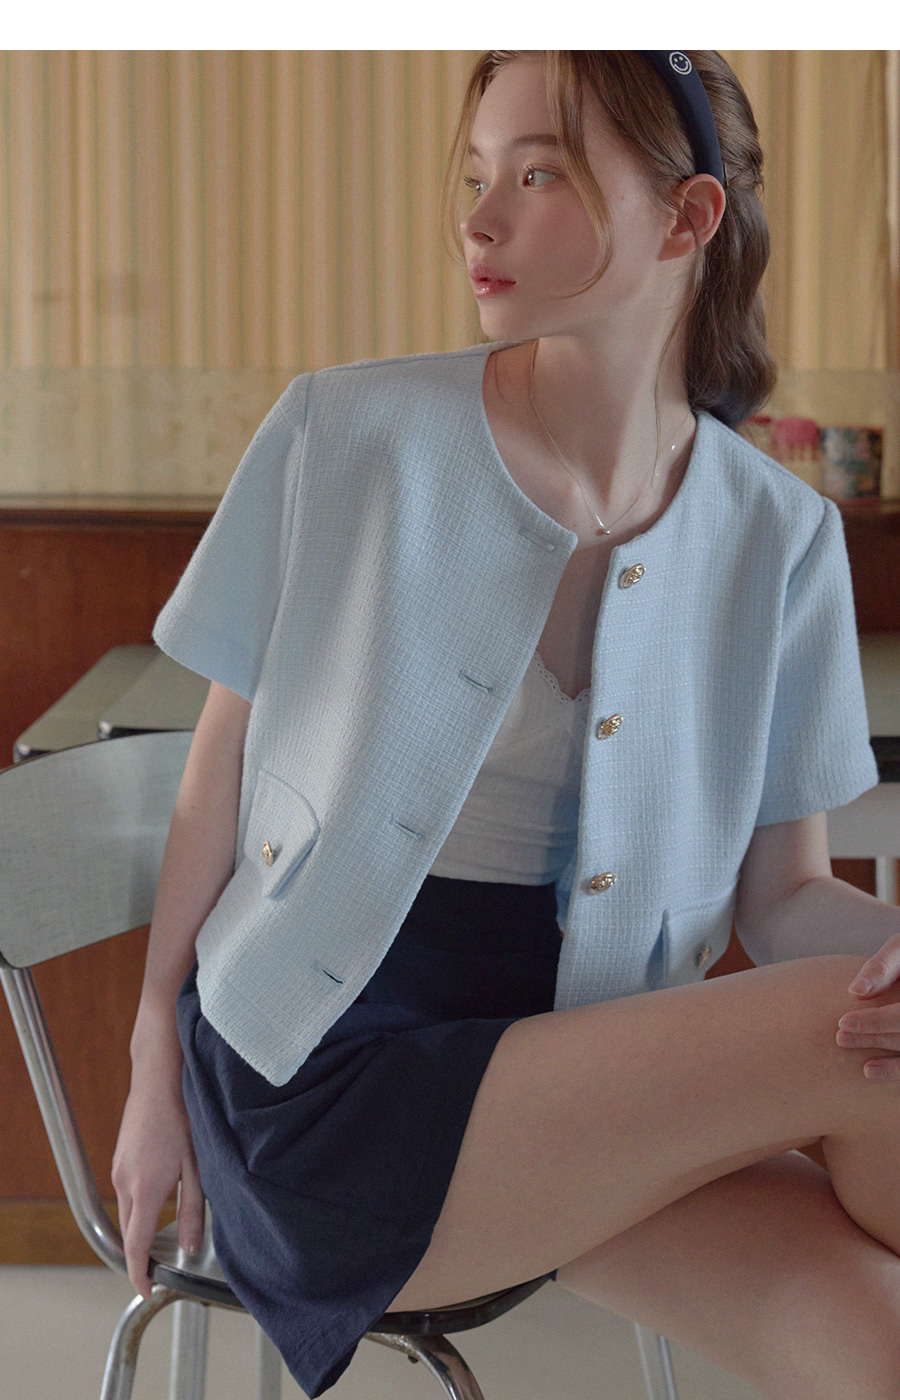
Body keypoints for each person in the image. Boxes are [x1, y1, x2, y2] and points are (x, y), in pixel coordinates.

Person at [112, 50, 900, 1400]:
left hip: (581, 1051)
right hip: (324, 1077)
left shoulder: (779, 538)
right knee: (868, 1043)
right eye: (478, 175)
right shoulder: (349, 434)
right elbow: (220, 771)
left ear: (688, 218)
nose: (479, 220)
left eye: (539, 176)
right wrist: (148, 1055)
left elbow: (787, 898)